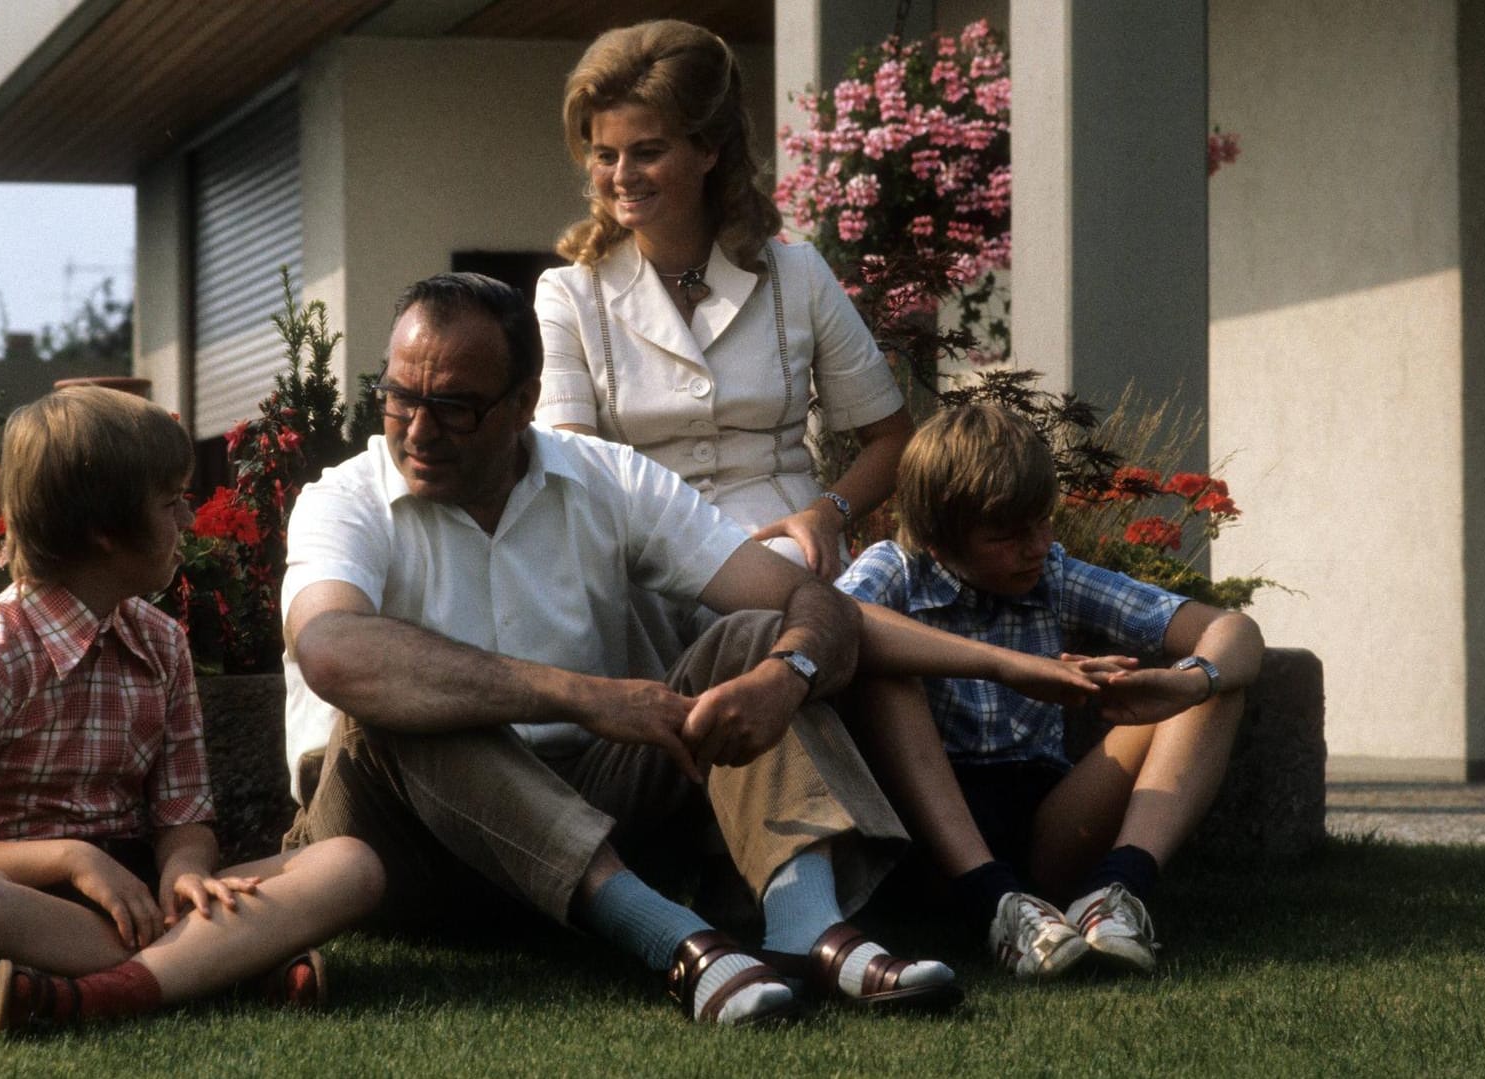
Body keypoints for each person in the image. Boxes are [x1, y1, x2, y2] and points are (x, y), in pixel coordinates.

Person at [280, 273, 1102, 1025]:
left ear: (526, 399)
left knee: (752, 640)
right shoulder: (345, 500)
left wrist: (788, 675)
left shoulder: (604, 478)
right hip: (400, 842)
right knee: (408, 697)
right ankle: (677, 942)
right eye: (398, 398)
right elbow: (333, 649)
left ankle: (808, 926)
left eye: (455, 406)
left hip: (593, 801)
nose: (418, 429)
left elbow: (807, 599)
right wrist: (580, 693)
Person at [0, 385, 384, 1035]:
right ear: (102, 531)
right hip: (30, 905)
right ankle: (223, 964)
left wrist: (185, 869)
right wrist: (72, 859)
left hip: (149, 901)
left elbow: (185, 816)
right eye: (170, 501)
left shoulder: (161, 642)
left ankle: (108, 989)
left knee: (350, 864)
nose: (187, 519)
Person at [834, 405, 1264, 978]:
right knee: (885, 664)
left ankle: (1113, 898)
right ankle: (993, 900)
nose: (1036, 545)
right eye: (1007, 535)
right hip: (924, 833)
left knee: (1214, 681)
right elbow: (838, 623)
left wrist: (1185, 681)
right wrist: (1011, 667)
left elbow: (1236, 631)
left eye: (1043, 522)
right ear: (939, 536)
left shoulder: (1053, 574)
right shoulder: (897, 569)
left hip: (1044, 825)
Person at [536, 19, 912, 582]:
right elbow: (573, 467)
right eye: (604, 155)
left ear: (707, 149)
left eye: (647, 152)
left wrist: (826, 514)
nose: (622, 176)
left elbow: (893, 439)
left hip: (784, 549)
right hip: (640, 560)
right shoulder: (567, 295)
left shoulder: (797, 275)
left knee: (792, 598)